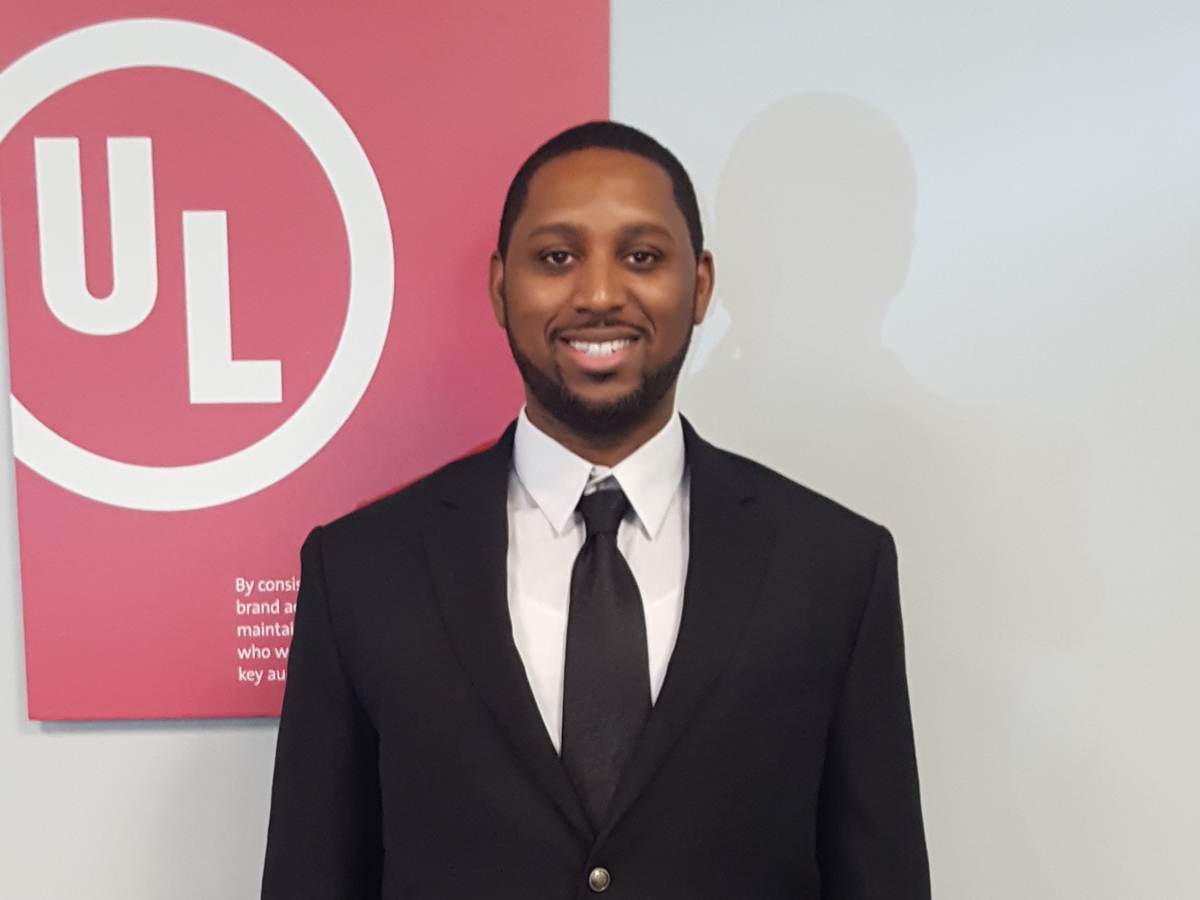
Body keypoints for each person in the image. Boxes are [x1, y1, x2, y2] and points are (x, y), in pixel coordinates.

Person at [261, 120, 930, 899]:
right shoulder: (362, 572)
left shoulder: (834, 566)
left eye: (642, 257)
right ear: (499, 286)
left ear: (701, 286)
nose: (602, 294)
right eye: (557, 258)